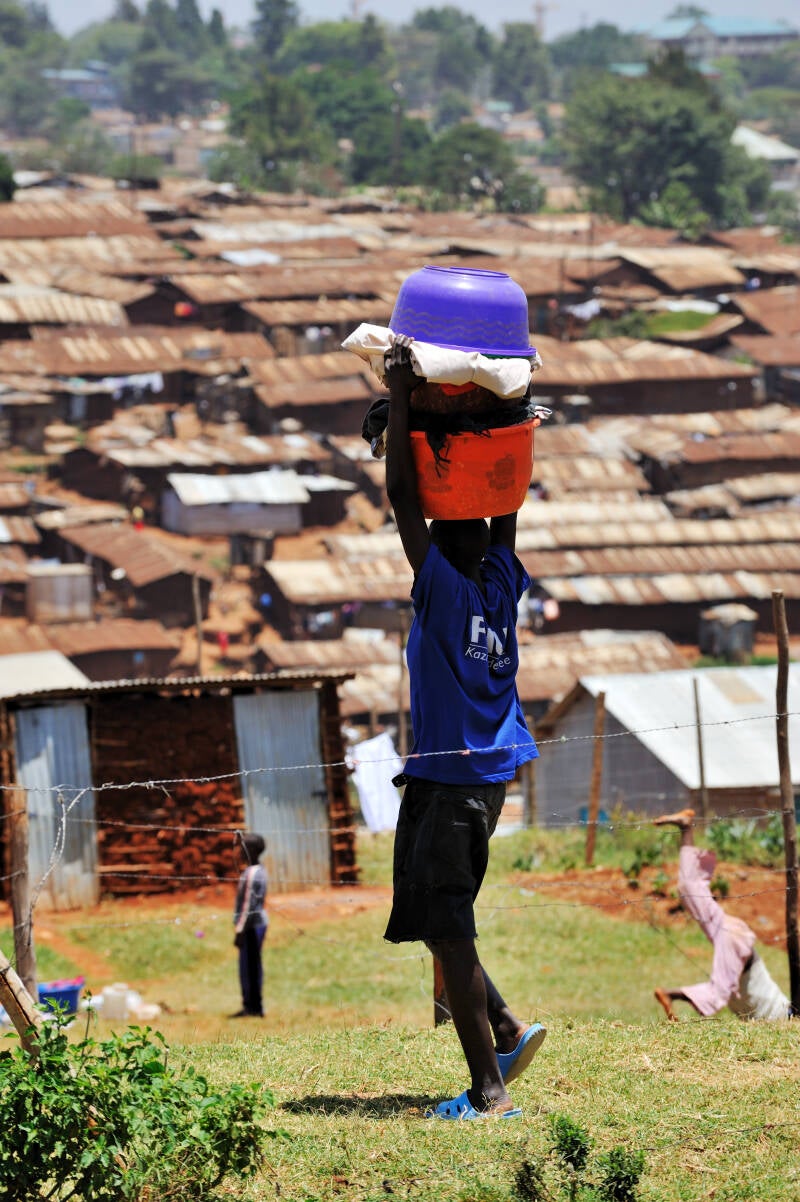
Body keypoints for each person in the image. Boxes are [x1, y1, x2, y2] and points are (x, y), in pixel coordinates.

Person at [382, 335, 546, 1122]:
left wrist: (403, 399)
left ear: (436, 547)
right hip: (471, 778)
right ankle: (508, 1026)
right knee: (428, 912)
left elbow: (403, 502)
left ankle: (489, 1091)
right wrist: (502, 416)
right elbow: (504, 503)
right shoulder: (498, 582)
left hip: (455, 783)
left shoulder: (445, 591)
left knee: (449, 928)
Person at [652, 809, 792, 1022]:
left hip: (733, 933)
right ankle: (671, 993)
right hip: (735, 939)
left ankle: (686, 827)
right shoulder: (783, 1018)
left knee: (691, 890)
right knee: (718, 992)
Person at [230, 832, 268, 1019]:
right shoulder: (258, 870)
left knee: (249, 966)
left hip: (251, 927)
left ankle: (252, 1007)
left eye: (242, 847)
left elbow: (248, 905)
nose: (239, 851)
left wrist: (239, 930)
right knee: (253, 965)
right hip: (256, 924)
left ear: (250, 850)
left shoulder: (252, 874)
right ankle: (254, 1005)